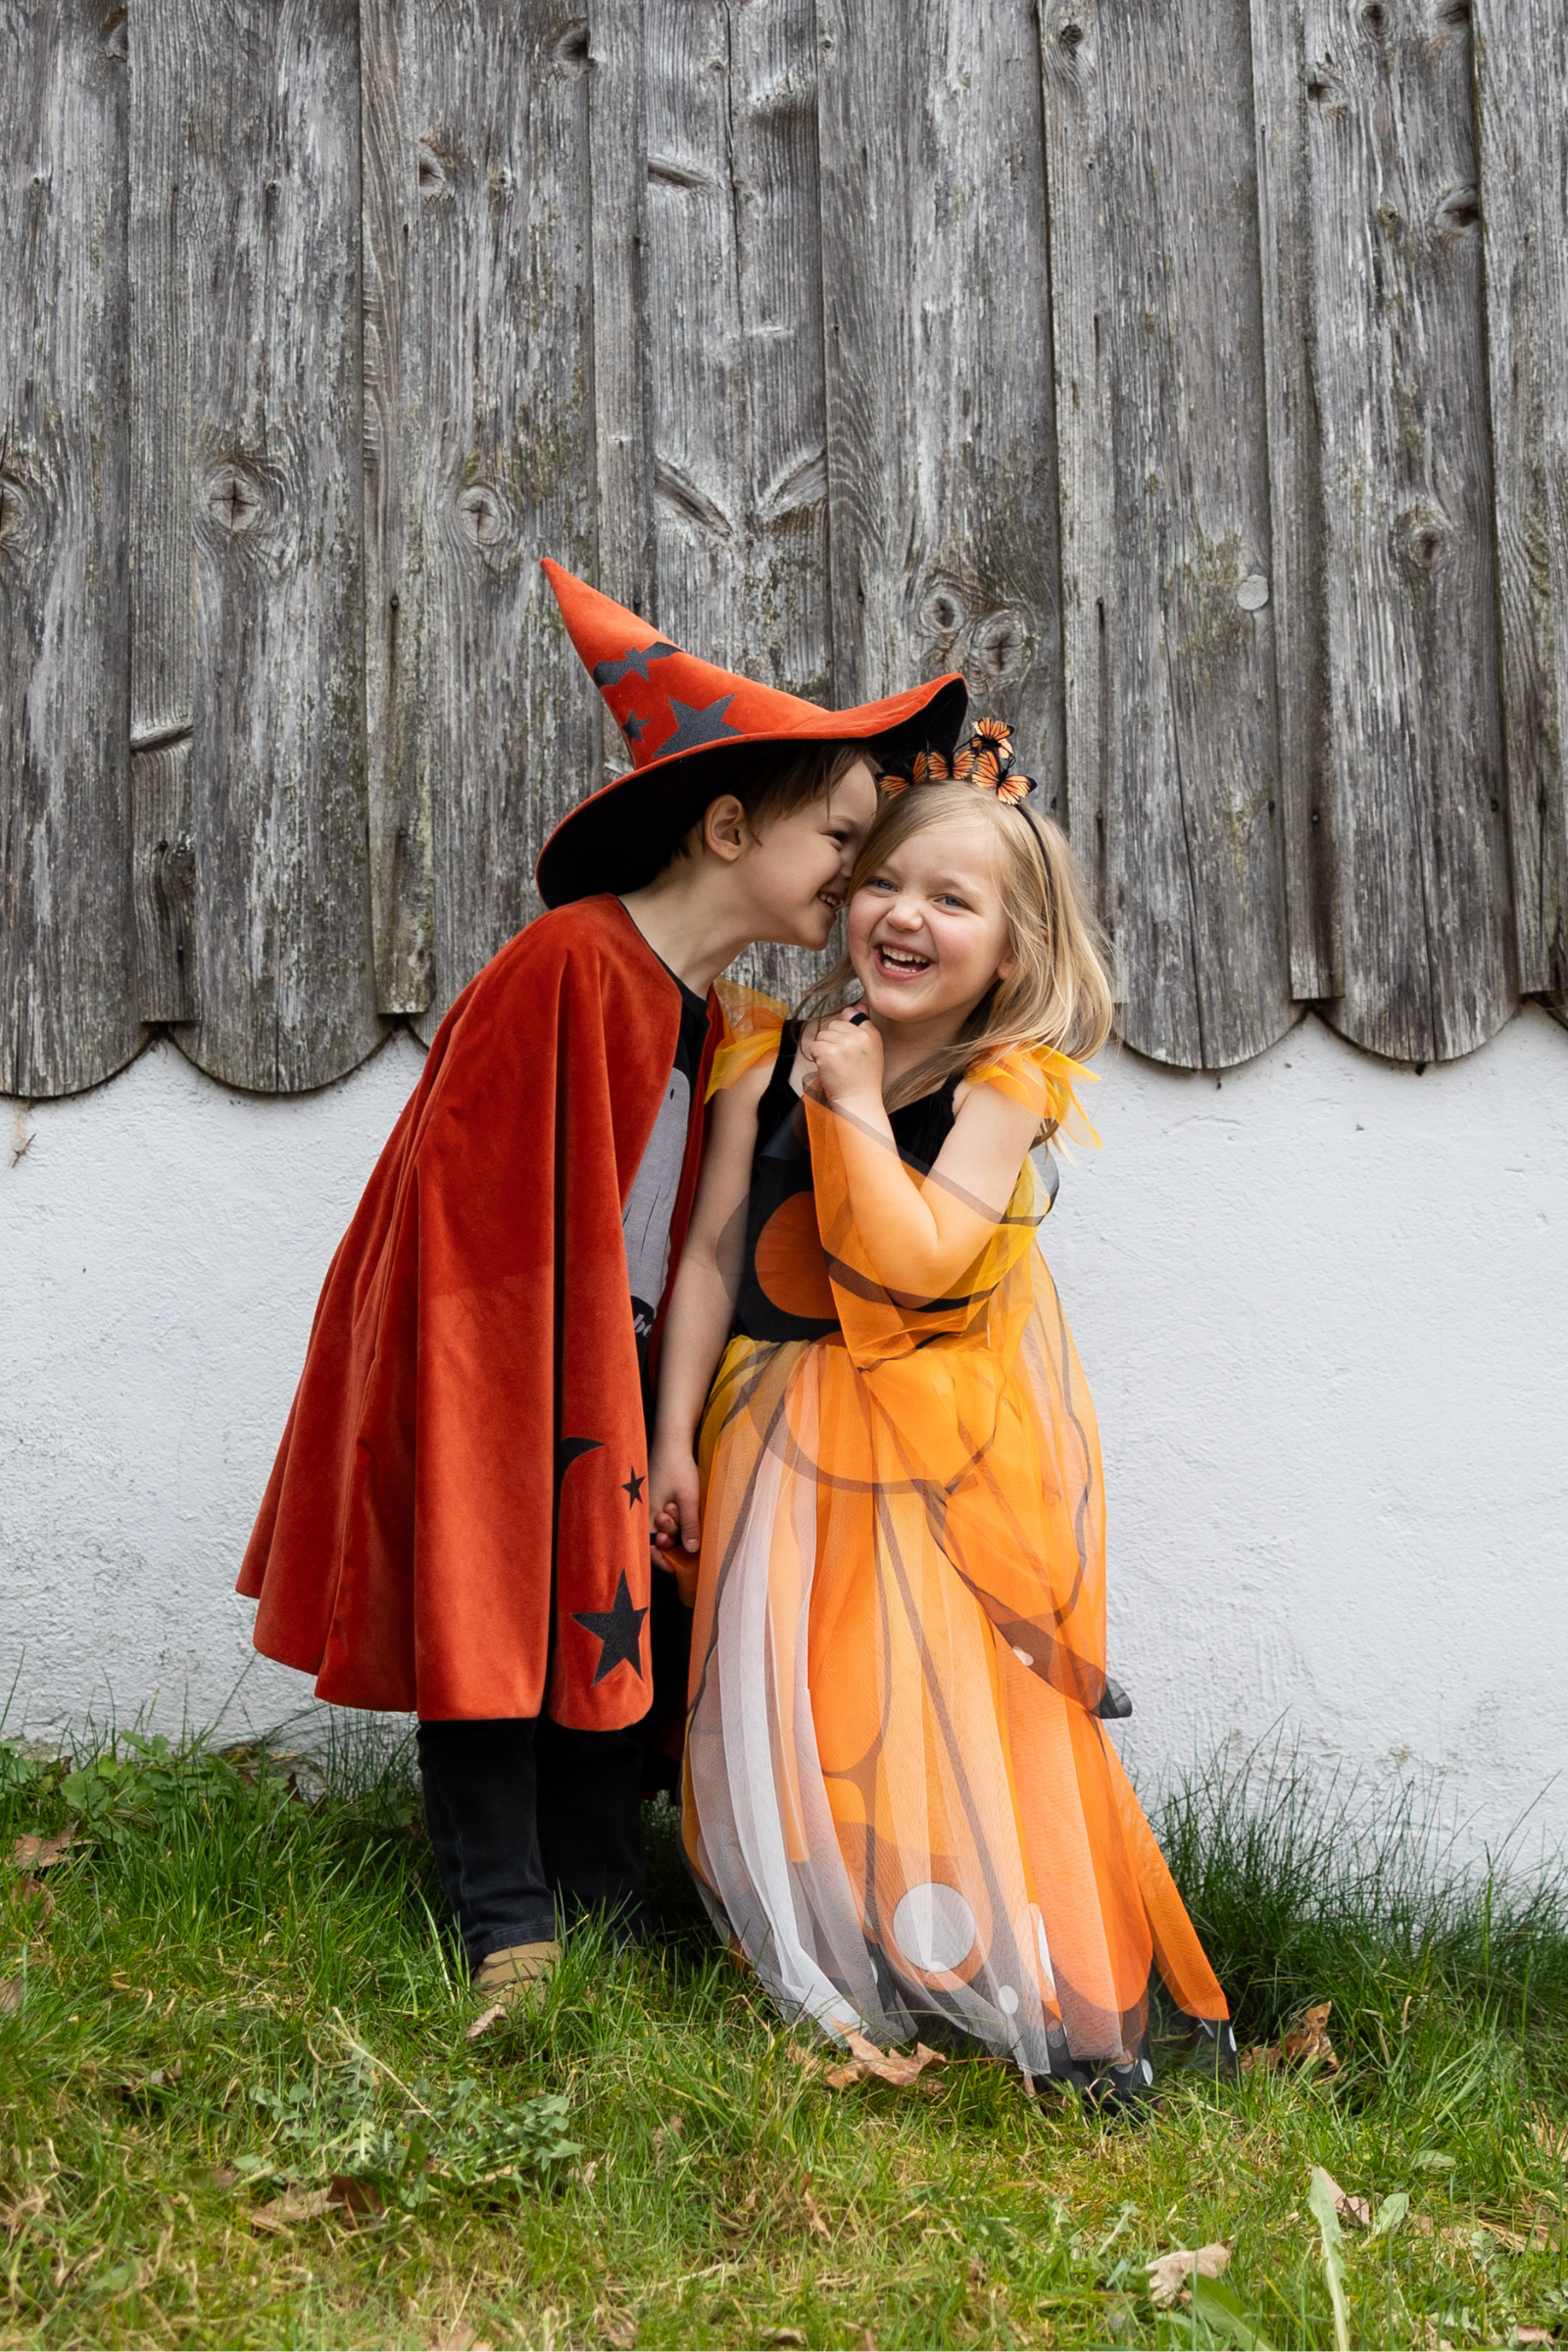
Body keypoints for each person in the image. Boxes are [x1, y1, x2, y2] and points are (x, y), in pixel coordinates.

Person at [236, 558, 966, 2015]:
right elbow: (466, 1217)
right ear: (721, 823)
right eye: (838, 837)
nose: (855, 874)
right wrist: (520, 1391)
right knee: (495, 1608)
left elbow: (674, 1233)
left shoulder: (703, 1015)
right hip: (491, 1364)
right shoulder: (570, 964)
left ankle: (597, 1894)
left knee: (602, 1610)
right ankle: (506, 1919)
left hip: (606, 1375)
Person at [650, 721, 1235, 2101]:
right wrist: (671, 1436)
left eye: (952, 900)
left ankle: (1049, 2000)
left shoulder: (1003, 1087)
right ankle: (846, 1949)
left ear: (1014, 953)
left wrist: (852, 1106)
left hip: (926, 1462)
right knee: (796, 1691)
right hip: (772, 1437)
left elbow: (918, 1257)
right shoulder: (763, 1048)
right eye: (883, 883)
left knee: (944, 1699)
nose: (903, 916)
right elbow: (713, 1256)